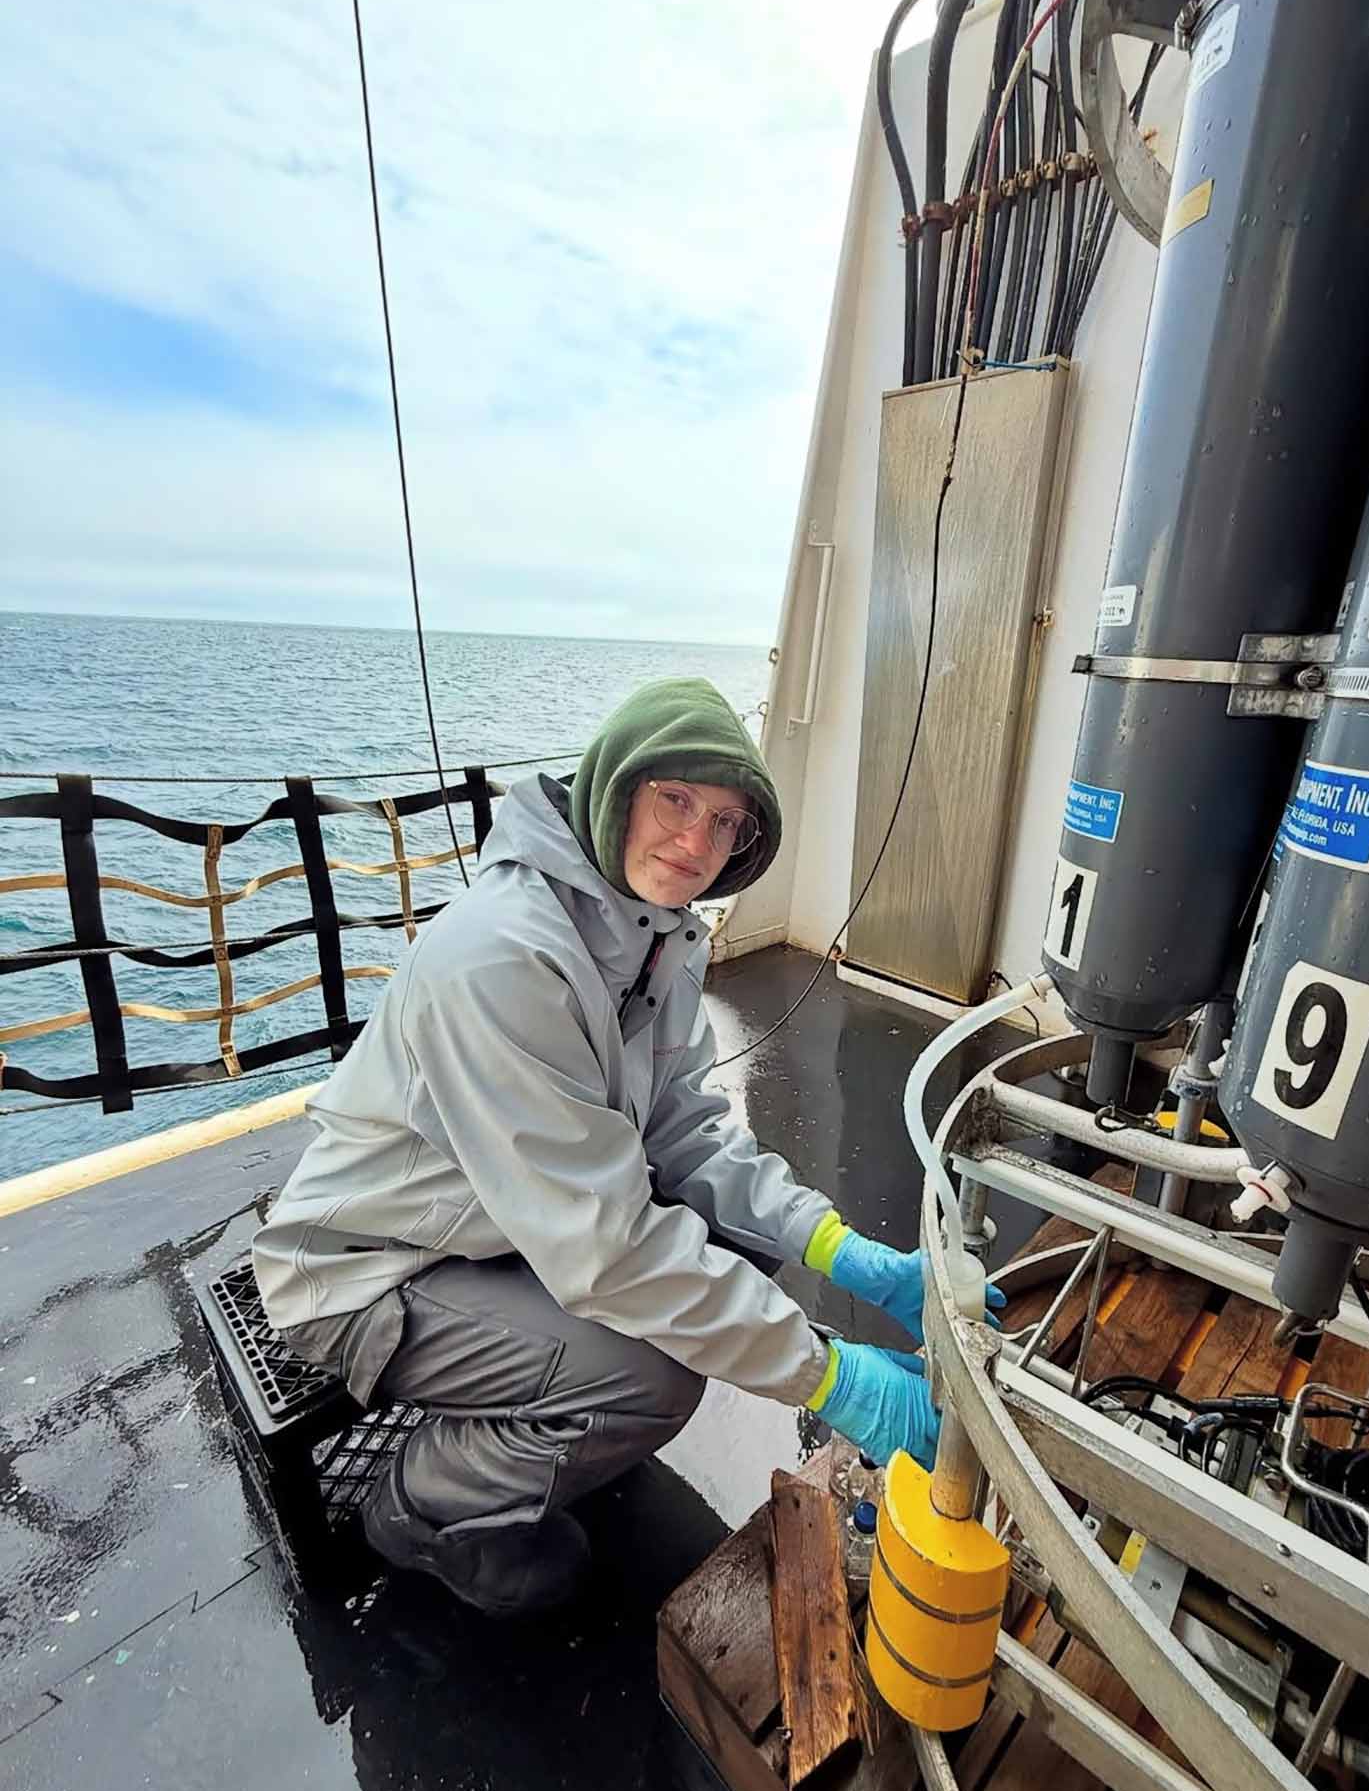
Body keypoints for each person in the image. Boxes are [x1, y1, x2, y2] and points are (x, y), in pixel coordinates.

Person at [253, 678, 992, 1617]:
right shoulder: (502, 957)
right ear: (615, 789)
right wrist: (834, 1377)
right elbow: (606, 1247)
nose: (697, 842)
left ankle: (546, 1410)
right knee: (654, 1377)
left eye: (725, 821)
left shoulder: (656, 938)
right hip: (370, 1266)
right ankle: (421, 1507)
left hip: (503, 1224)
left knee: (735, 1251)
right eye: (675, 799)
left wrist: (836, 1248)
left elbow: (685, 1128)